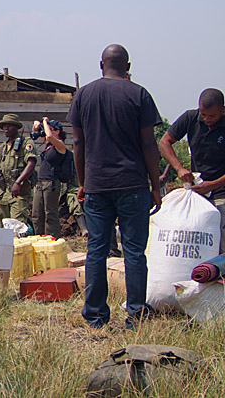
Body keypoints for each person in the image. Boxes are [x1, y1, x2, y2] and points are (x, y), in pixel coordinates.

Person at [68, 44, 162, 330]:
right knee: (134, 251)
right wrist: (156, 186)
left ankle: (95, 316)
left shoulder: (84, 94)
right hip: (132, 184)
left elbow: (78, 144)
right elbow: (149, 144)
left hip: (97, 185)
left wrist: (83, 183)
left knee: (97, 249)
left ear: (101, 64)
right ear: (128, 65)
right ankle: (135, 315)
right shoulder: (139, 94)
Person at [159, 88, 225, 253]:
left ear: (223, 110)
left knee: (221, 240)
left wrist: (213, 185)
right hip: (198, 191)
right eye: (203, 114)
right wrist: (179, 168)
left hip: (221, 192)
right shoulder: (190, 118)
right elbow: (164, 142)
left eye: (212, 116)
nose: (207, 119)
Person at [0, 114, 37, 224]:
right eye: (4, 126)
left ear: (17, 127)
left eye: (9, 126)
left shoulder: (25, 143)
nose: (6, 129)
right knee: (2, 224)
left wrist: (18, 182)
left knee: (17, 225)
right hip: (3, 192)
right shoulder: (3, 147)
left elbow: (31, 163)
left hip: (18, 191)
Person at [30, 118, 68, 239]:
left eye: (51, 129)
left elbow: (50, 137)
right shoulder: (48, 144)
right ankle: (39, 238)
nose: (47, 132)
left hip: (51, 183)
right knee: (36, 214)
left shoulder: (60, 145)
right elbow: (35, 135)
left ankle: (52, 240)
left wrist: (45, 122)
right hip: (40, 183)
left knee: (50, 214)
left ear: (57, 131)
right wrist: (36, 126)